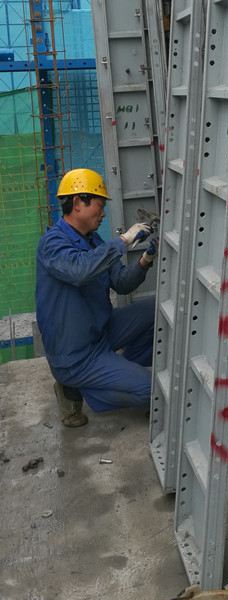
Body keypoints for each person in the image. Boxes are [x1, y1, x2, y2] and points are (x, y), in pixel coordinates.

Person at [36, 168, 157, 427]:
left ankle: (114, 371)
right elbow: (80, 271)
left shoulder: (93, 240)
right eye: (99, 206)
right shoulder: (52, 244)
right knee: (152, 391)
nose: (102, 213)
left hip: (99, 334)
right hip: (76, 355)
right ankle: (83, 390)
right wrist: (123, 240)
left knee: (156, 311)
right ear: (78, 203)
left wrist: (146, 260)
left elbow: (122, 284)